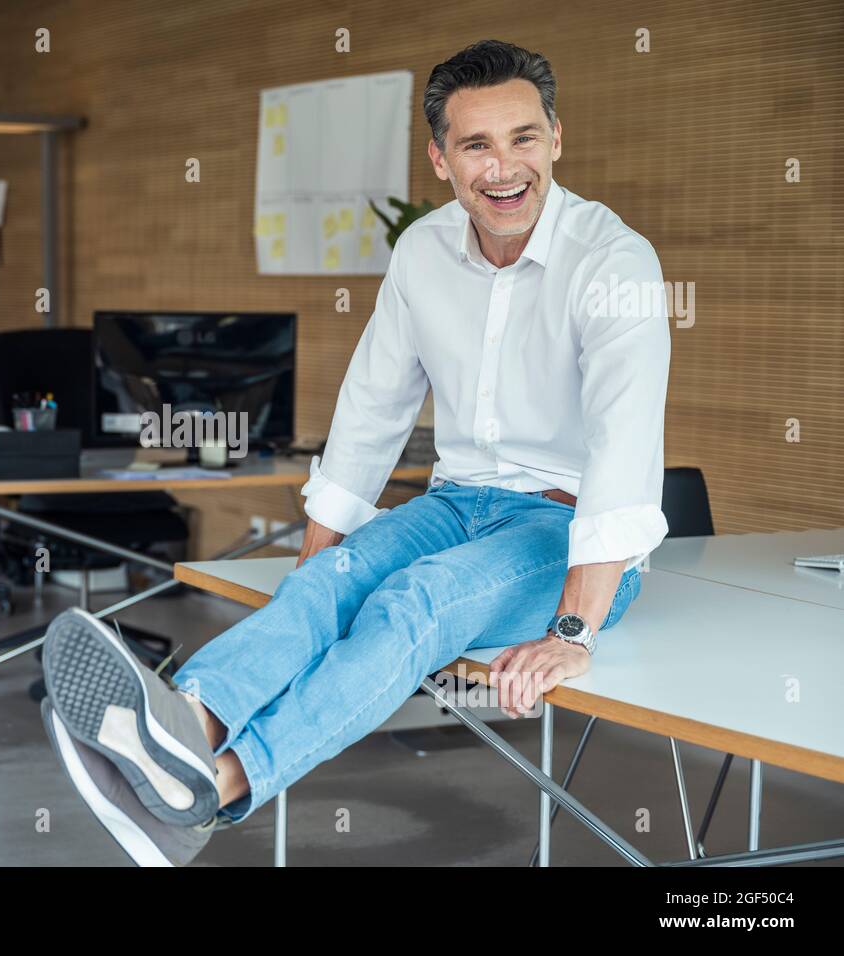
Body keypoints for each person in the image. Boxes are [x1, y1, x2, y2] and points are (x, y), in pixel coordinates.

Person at [39, 38, 671, 866]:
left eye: (523, 137)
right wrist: (320, 573)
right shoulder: (422, 253)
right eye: (477, 144)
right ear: (441, 159)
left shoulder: (614, 263)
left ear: (557, 137)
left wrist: (572, 631)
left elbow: (624, 453)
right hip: (457, 505)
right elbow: (371, 409)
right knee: (326, 587)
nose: (504, 166)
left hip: (563, 532)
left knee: (411, 605)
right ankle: (184, 731)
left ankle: (214, 790)